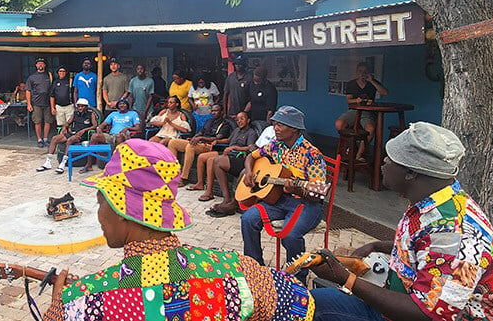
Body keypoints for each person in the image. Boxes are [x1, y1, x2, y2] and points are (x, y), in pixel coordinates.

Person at [40, 139, 315, 321]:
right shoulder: (236, 269)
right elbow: (297, 301)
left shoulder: (83, 301)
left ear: (122, 210)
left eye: (101, 202)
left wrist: (58, 303)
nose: (99, 215)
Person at [309, 122, 493, 321]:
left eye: (391, 159)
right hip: (400, 303)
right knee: (307, 303)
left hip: (416, 313)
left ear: (411, 172)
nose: (383, 163)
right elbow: (425, 250)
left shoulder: (457, 236)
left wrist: (346, 279)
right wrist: (378, 245)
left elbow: (426, 313)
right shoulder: (433, 202)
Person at [240, 106, 325, 276]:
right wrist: (249, 172)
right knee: (248, 219)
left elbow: (319, 194)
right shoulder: (275, 146)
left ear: (294, 128)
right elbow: (251, 156)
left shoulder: (312, 154)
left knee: (291, 235)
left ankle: (297, 277)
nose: (275, 129)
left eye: (280, 125)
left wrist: (299, 191)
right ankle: (255, 267)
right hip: (279, 199)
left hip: (307, 203)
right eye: (275, 124)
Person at [205, 111, 260, 217]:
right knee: (215, 160)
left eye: (242, 119)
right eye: (237, 119)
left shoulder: (251, 132)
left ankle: (228, 200)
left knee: (217, 161)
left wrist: (235, 148)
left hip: (240, 158)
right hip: (230, 155)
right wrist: (218, 141)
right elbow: (229, 140)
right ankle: (226, 198)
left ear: (248, 120)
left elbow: (250, 148)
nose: (239, 121)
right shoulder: (236, 130)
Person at [334, 62, 388, 160]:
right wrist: (356, 100)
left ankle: (358, 156)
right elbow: (348, 100)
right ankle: (352, 147)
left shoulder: (373, 83)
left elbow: (384, 92)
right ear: (356, 72)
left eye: (364, 71)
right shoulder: (351, 83)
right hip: (353, 111)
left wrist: (371, 81)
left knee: (370, 129)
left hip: (367, 112)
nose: (362, 73)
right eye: (360, 71)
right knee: (339, 124)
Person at [167, 103, 231, 185]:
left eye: (216, 111)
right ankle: (173, 173)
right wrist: (195, 137)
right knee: (173, 142)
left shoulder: (225, 124)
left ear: (222, 112)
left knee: (190, 146)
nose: (213, 112)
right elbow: (201, 132)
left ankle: (184, 178)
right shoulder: (209, 121)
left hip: (210, 146)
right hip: (199, 143)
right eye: (212, 111)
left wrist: (201, 138)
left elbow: (217, 138)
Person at [36, 98, 97, 174]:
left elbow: (95, 126)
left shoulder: (91, 114)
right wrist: (65, 128)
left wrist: (85, 130)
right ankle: (48, 162)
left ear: (86, 107)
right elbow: (68, 123)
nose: (80, 108)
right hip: (73, 133)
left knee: (70, 140)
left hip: (82, 135)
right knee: (55, 138)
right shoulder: (75, 113)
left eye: (82, 106)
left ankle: (63, 163)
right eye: (79, 106)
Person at [82, 98, 140, 173]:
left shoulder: (133, 114)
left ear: (127, 105)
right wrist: (99, 129)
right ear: (118, 106)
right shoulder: (113, 114)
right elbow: (103, 125)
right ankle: (89, 164)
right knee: (94, 136)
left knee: (118, 137)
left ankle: (117, 165)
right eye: (120, 104)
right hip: (110, 135)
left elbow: (137, 127)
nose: (122, 105)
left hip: (123, 135)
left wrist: (127, 128)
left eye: (124, 103)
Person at [27, 58, 55, 148]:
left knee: (48, 121)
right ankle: (39, 139)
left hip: (47, 103)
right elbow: (28, 91)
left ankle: (46, 139)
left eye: (42, 64)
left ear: (44, 65)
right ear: (36, 65)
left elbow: (53, 89)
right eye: (38, 64)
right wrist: (29, 104)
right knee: (37, 122)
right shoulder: (32, 77)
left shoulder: (49, 76)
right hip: (36, 103)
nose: (40, 65)